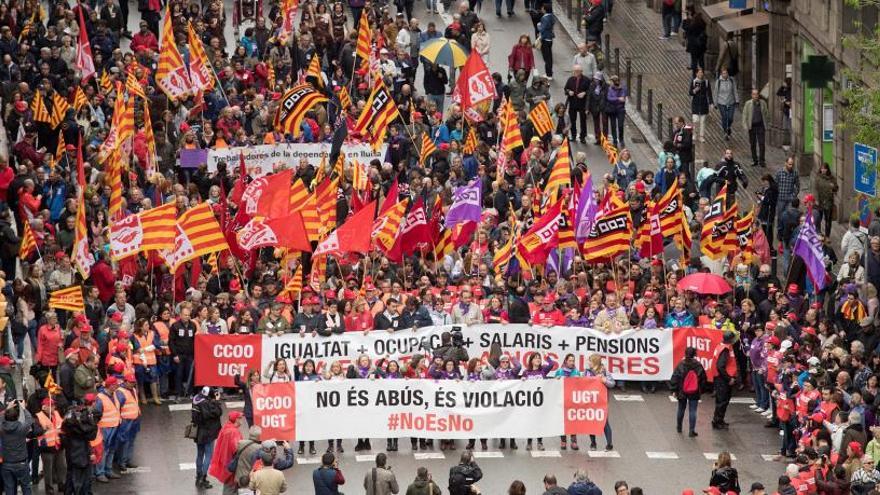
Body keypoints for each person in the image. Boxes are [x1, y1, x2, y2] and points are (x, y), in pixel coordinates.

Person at [670, 346, 706, 437]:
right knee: (693, 411)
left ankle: (679, 427)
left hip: (682, 391)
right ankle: (691, 430)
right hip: (694, 391)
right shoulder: (698, 365)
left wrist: (674, 390)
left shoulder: (681, 364)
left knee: (681, 409)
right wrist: (700, 389)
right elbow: (703, 379)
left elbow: (675, 377)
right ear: (694, 354)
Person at [192, 386, 223, 489]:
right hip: (208, 432)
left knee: (200, 454)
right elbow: (218, 412)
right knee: (208, 455)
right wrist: (217, 401)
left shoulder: (196, 398)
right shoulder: (208, 403)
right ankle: (203, 479)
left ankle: (198, 476)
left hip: (198, 431)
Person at [208, 411, 244, 489]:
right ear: (236, 419)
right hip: (231, 462)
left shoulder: (227, 427)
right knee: (231, 487)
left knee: (228, 485)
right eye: (240, 418)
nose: (242, 420)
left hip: (225, 461)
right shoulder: (234, 432)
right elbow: (237, 448)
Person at [711, 331, 738, 430]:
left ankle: (719, 420)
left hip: (720, 378)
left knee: (721, 400)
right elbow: (720, 366)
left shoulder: (721, 346)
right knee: (722, 401)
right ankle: (717, 421)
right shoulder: (725, 349)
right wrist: (729, 378)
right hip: (723, 379)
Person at [741, 89, 770, 167]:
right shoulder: (748, 104)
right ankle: (754, 160)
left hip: (761, 126)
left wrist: (767, 124)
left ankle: (762, 160)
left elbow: (767, 114)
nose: (755, 96)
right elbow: (744, 115)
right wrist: (745, 126)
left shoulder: (763, 103)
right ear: (751, 95)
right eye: (754, 94)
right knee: (753, 144)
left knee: (762, 144)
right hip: (752, 127)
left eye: (756, 94)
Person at [565, 65, 590, 144]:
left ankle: (582, 137)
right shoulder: (570, 79)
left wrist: (584, 93)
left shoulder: (586, 80)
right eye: (574, 71)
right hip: (573, 102)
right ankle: (573, 135)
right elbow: (566, 88)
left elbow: (590, 90)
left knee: (583, 120)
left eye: (577, 71)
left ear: (581, 72)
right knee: (572, 120)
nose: (575, 73)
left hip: (582, 103)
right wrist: (569, 92)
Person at [713, 68, 739, 140]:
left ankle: (728, 127)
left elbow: (735, 90)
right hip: (721, 102)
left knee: (730, 117)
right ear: (721, 74)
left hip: (731, 101)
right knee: (724, 117)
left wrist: (737, 100)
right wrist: (715, 103)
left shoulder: (732, 80)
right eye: (723, 73)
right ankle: (725, 131)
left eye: (726, 73)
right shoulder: (718, 82)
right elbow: (716, 93)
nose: (725, 75)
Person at [689, 68, 712, 143]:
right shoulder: (694, 81)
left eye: (702, 72)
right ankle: (695, 134)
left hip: (703, 104)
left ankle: (701, 136)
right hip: (695, 104)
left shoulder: (706, 82)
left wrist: (711, 102)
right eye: (699, 72)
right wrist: (695, 90)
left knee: (702, 121)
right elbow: (690, 92)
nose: (701, 74)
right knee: (695, 120)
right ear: (696, 74)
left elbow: (709, 93)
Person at [536, 4, 555, 79]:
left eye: (543, 8)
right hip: (550, 39)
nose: (542, 9)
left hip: (545, 39)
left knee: (547, 58)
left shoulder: (544, 18)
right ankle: (549, 72)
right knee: (549, 57)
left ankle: (549, 74)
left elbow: (542, 29)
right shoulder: (551, 16)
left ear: (545, 9)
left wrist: (538, 25)